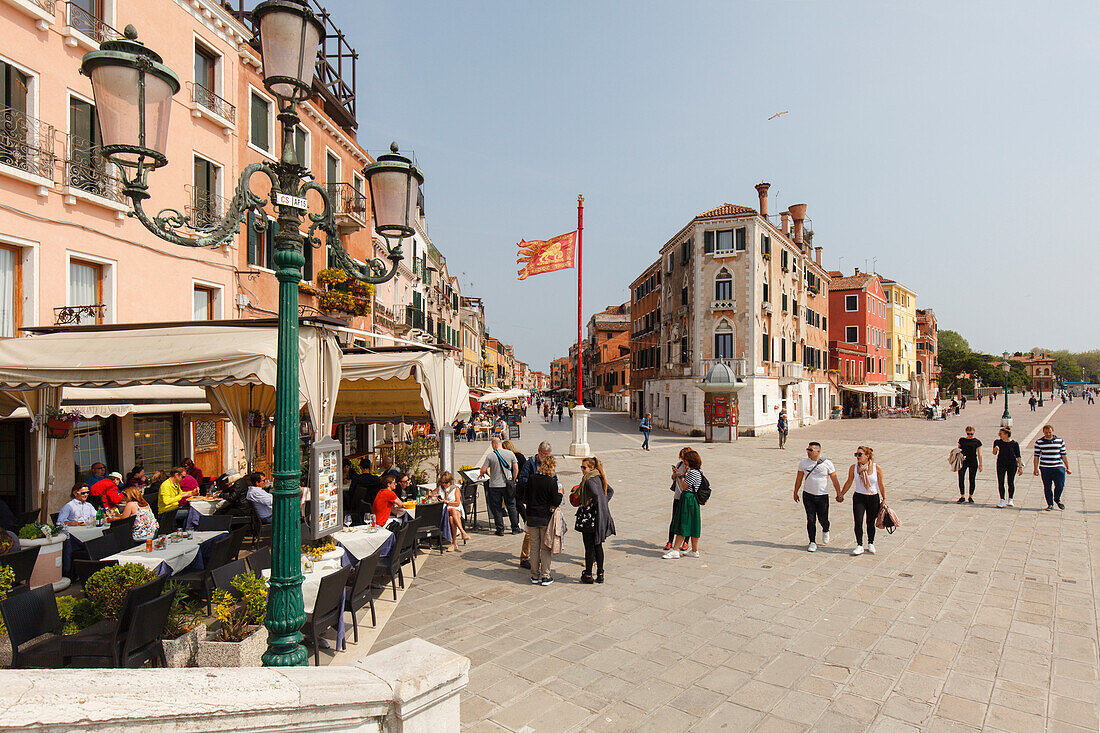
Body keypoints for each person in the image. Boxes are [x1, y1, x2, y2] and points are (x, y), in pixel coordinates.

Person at [793, 442, 841, 552]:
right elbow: (799, 478)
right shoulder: (803, 463)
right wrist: (795, 491)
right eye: (807, 450)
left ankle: (826, 529)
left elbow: (834, 479)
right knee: (810, 519)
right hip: (808, 495)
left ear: (818, 451)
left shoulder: (827, 463)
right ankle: (812, 542)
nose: (808, 452)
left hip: (822, 495)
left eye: (811, 450)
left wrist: (839, 493)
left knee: (823, 518)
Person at [839, 445, 886, 555]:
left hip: (873, 497)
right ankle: (859, 545)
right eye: (856, 454)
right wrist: (841, 494)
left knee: (870, 522)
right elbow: (849, 481)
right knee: (858, 521)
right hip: (859, 497)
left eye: (860, 454)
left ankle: (871, 543)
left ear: (867, 456)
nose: (857, 457)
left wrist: (884, 498)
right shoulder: (854, 468)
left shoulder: (876, 468)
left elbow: (880, 483)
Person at [574, 455, 615, 582]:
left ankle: (588, 574)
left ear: (591, 467)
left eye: (584, 467)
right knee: (597, 545)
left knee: (589, 547)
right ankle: (600, 574)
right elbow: (610, 491)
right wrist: (603, 503)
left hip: (590, 517)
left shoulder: (590, 479)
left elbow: (597, 494)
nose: (582, 469)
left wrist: (596, 503)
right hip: (598, 517)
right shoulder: (598, 477)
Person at [524, 455, 563, 585]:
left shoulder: (532, 479)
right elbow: (555, 501)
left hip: (532, 517)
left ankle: (534, 575)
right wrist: (560, 493)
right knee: (545, 547)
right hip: (545, 518)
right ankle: (545, 576)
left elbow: (525, 496)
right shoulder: (551, 481)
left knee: (534, 547)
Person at [516, 441, 553, 569]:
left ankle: (537, 556)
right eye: (544, 454)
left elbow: (554, 477)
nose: (546, 456)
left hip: (544, 500)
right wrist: (535, 482)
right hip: (531, 500)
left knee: (542, 529)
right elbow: (522, 479)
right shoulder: (529, 463)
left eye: (548, 454)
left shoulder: (548, 462)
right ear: (539, 451)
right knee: (530, 529)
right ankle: (525, 557)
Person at [664, 449, 701, 560]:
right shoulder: (699, 471)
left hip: (687, 498)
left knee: (683, 523)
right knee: (693, 524)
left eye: (686, 460)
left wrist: (681, 475)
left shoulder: (693, 473)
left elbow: (684, 485)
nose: (684, 462)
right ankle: (694, 550)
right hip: (692, 499)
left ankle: (675, 550)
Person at [478, 437, 520, 536]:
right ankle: (515, 528)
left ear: (493, 445)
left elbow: (483, 469)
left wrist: (481, 473)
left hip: (495, 486)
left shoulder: (490, 456)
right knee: (511, 506)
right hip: (508, 485)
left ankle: (500, 529)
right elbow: (516, 468)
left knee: (497, 507)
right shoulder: (510, 453)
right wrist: (513, 479)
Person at [1033, 424, 1071, 511]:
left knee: (1060, 485)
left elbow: (1064, 455)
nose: (1048, 434)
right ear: (1043, 432)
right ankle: (1050, 504)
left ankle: (1057, 498)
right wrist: (1035, 468)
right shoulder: (1039, 442)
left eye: (1049, 432)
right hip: (1045, 467)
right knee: (1047, 486)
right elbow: (1036, 456)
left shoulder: (1060, 441)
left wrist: (1068, 467)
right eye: (1046, 433)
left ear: (1053, 432)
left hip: (1058, 467)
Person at [664, 448, 692, 552]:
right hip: (677, 495)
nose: (683, 460)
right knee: (674, 519)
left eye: (685, 458)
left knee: (686, 520)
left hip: (687, 497)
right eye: (682, 457)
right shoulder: (679, 464)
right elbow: (673, 478)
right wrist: (675, 473)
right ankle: (670, 541)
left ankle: (686, 542)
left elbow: (688, 482)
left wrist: (682, 474)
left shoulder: (692, 468)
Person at [436, 471, 468, 551]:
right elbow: (430, 494)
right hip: (445, 510)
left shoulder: (455, 489)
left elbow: (457, 503)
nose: (444, 484)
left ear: (450, 481)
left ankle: (454, 543)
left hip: (456, 509)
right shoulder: (440, 488)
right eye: (442, 482)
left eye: (446, 483)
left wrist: (446, 502)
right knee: (452, 512)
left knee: (452, 517)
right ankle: (462, 532)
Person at [992, 427, 1023, 508]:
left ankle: (1010, 499)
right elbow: (994, 453)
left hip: (1012, 464)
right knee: (1001, 481)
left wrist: (1020, 467)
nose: (999, 435)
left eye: (1000, 434)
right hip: (1001, 464)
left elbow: (1018, 456)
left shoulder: (1014, 443)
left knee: (1010, 482)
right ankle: (1002, 500)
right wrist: (995, 449)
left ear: (1006, 435)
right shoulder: (997, 442)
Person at [955, 426, 982, 504]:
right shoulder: (962, 440)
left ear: (974, 432)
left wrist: (980, 464)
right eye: (968, 433)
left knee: (972, 478)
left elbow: (979, 453)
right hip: (963, 460)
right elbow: (958, 449)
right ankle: (962, 496)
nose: (970, 435)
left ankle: (970, 496)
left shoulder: (977, 442)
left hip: (973, 461)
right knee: (961, 477)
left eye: (971, 434)